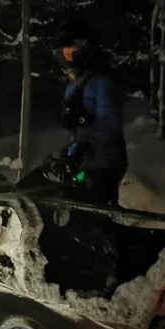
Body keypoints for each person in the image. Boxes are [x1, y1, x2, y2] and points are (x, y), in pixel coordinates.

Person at [53, 19, 128, 207]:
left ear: (85, 49)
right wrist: (70, 151)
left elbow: (110, 118)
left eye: (72, 52)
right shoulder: (73, 85)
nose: (69, 58)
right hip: (82, 165)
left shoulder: (102, 80)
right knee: (77, 215)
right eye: (65, 53)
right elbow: (78, 127)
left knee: (98, 215)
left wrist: (86, 146)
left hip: (104, 163)